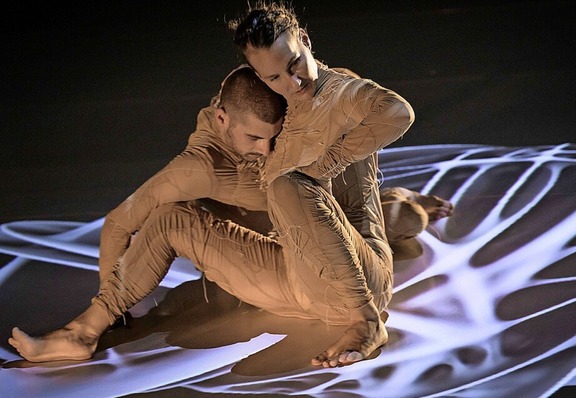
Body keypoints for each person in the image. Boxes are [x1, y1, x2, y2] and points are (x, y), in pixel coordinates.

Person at [8, 64, 450, 364]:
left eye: (273, 137)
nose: (267, 150)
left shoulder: (300, 114)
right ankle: (82, 333)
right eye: (255, 139)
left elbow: (375, 114)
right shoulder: (199, 167)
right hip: (299, 277)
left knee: (391, 210)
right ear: (222, 119)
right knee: (170, 218)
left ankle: (398, 219)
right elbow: (119, 222)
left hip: (358, 271)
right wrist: (116, 297)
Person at [227, 1, 454, 368]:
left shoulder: (340, 90)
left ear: (304, 40)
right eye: (273, 78)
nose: (293, 82)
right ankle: (396, 202)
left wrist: (325, 165)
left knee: (291, 187)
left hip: (361, 282)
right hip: (306, 266)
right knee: (177, 222)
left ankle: (367, 323)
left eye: (294, 64)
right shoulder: (281, 105)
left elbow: (399, 113)